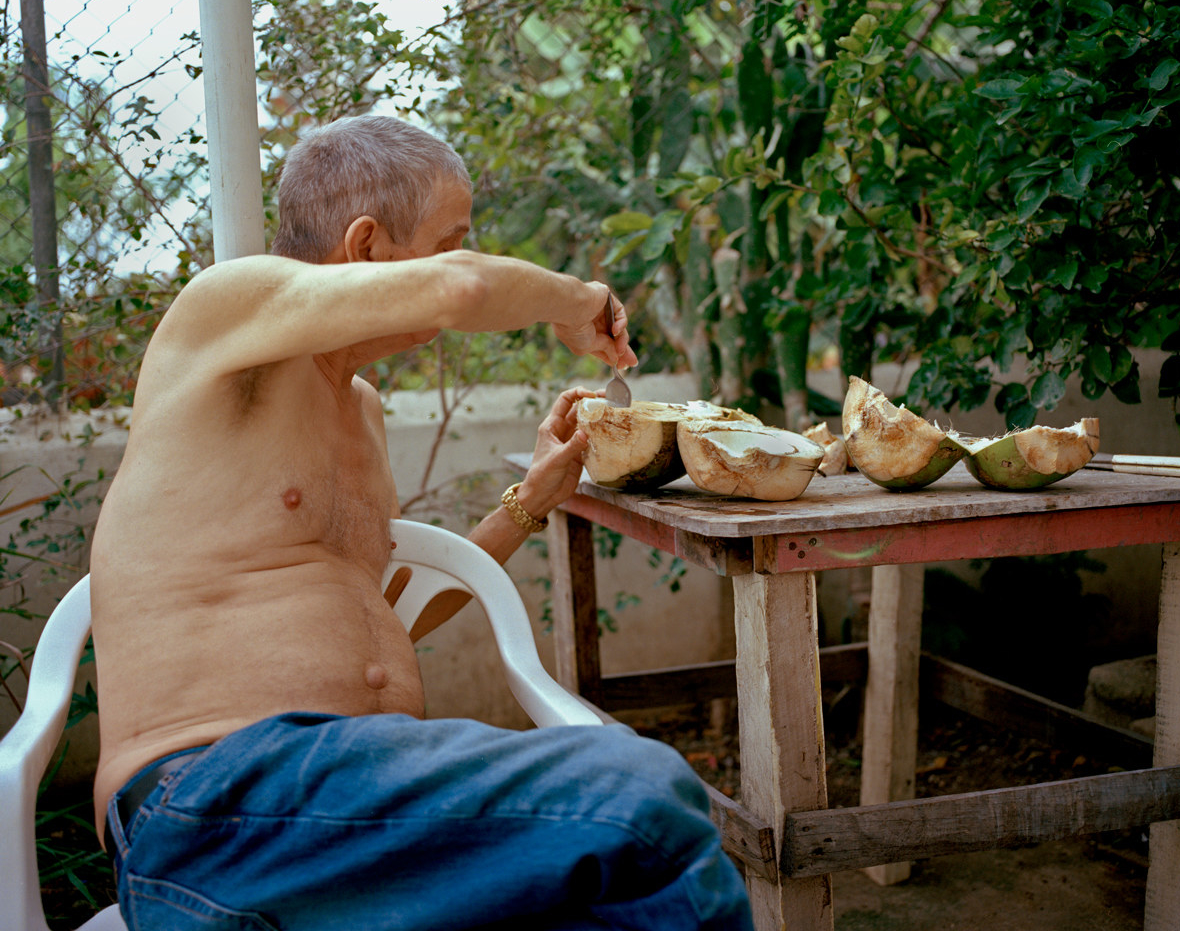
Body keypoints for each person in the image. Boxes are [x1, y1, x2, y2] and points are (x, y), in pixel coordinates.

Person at [88, 114, 754, 930]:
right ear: (366, 248)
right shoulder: (226, 312)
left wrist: (533, 500)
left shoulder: (359, 408)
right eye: (453, 238)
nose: (465, 258)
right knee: (640, 797)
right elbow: (464, 287)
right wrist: (582, 301)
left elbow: (391, 613)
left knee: (613, 903)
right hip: (216, 803)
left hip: (361, 820)